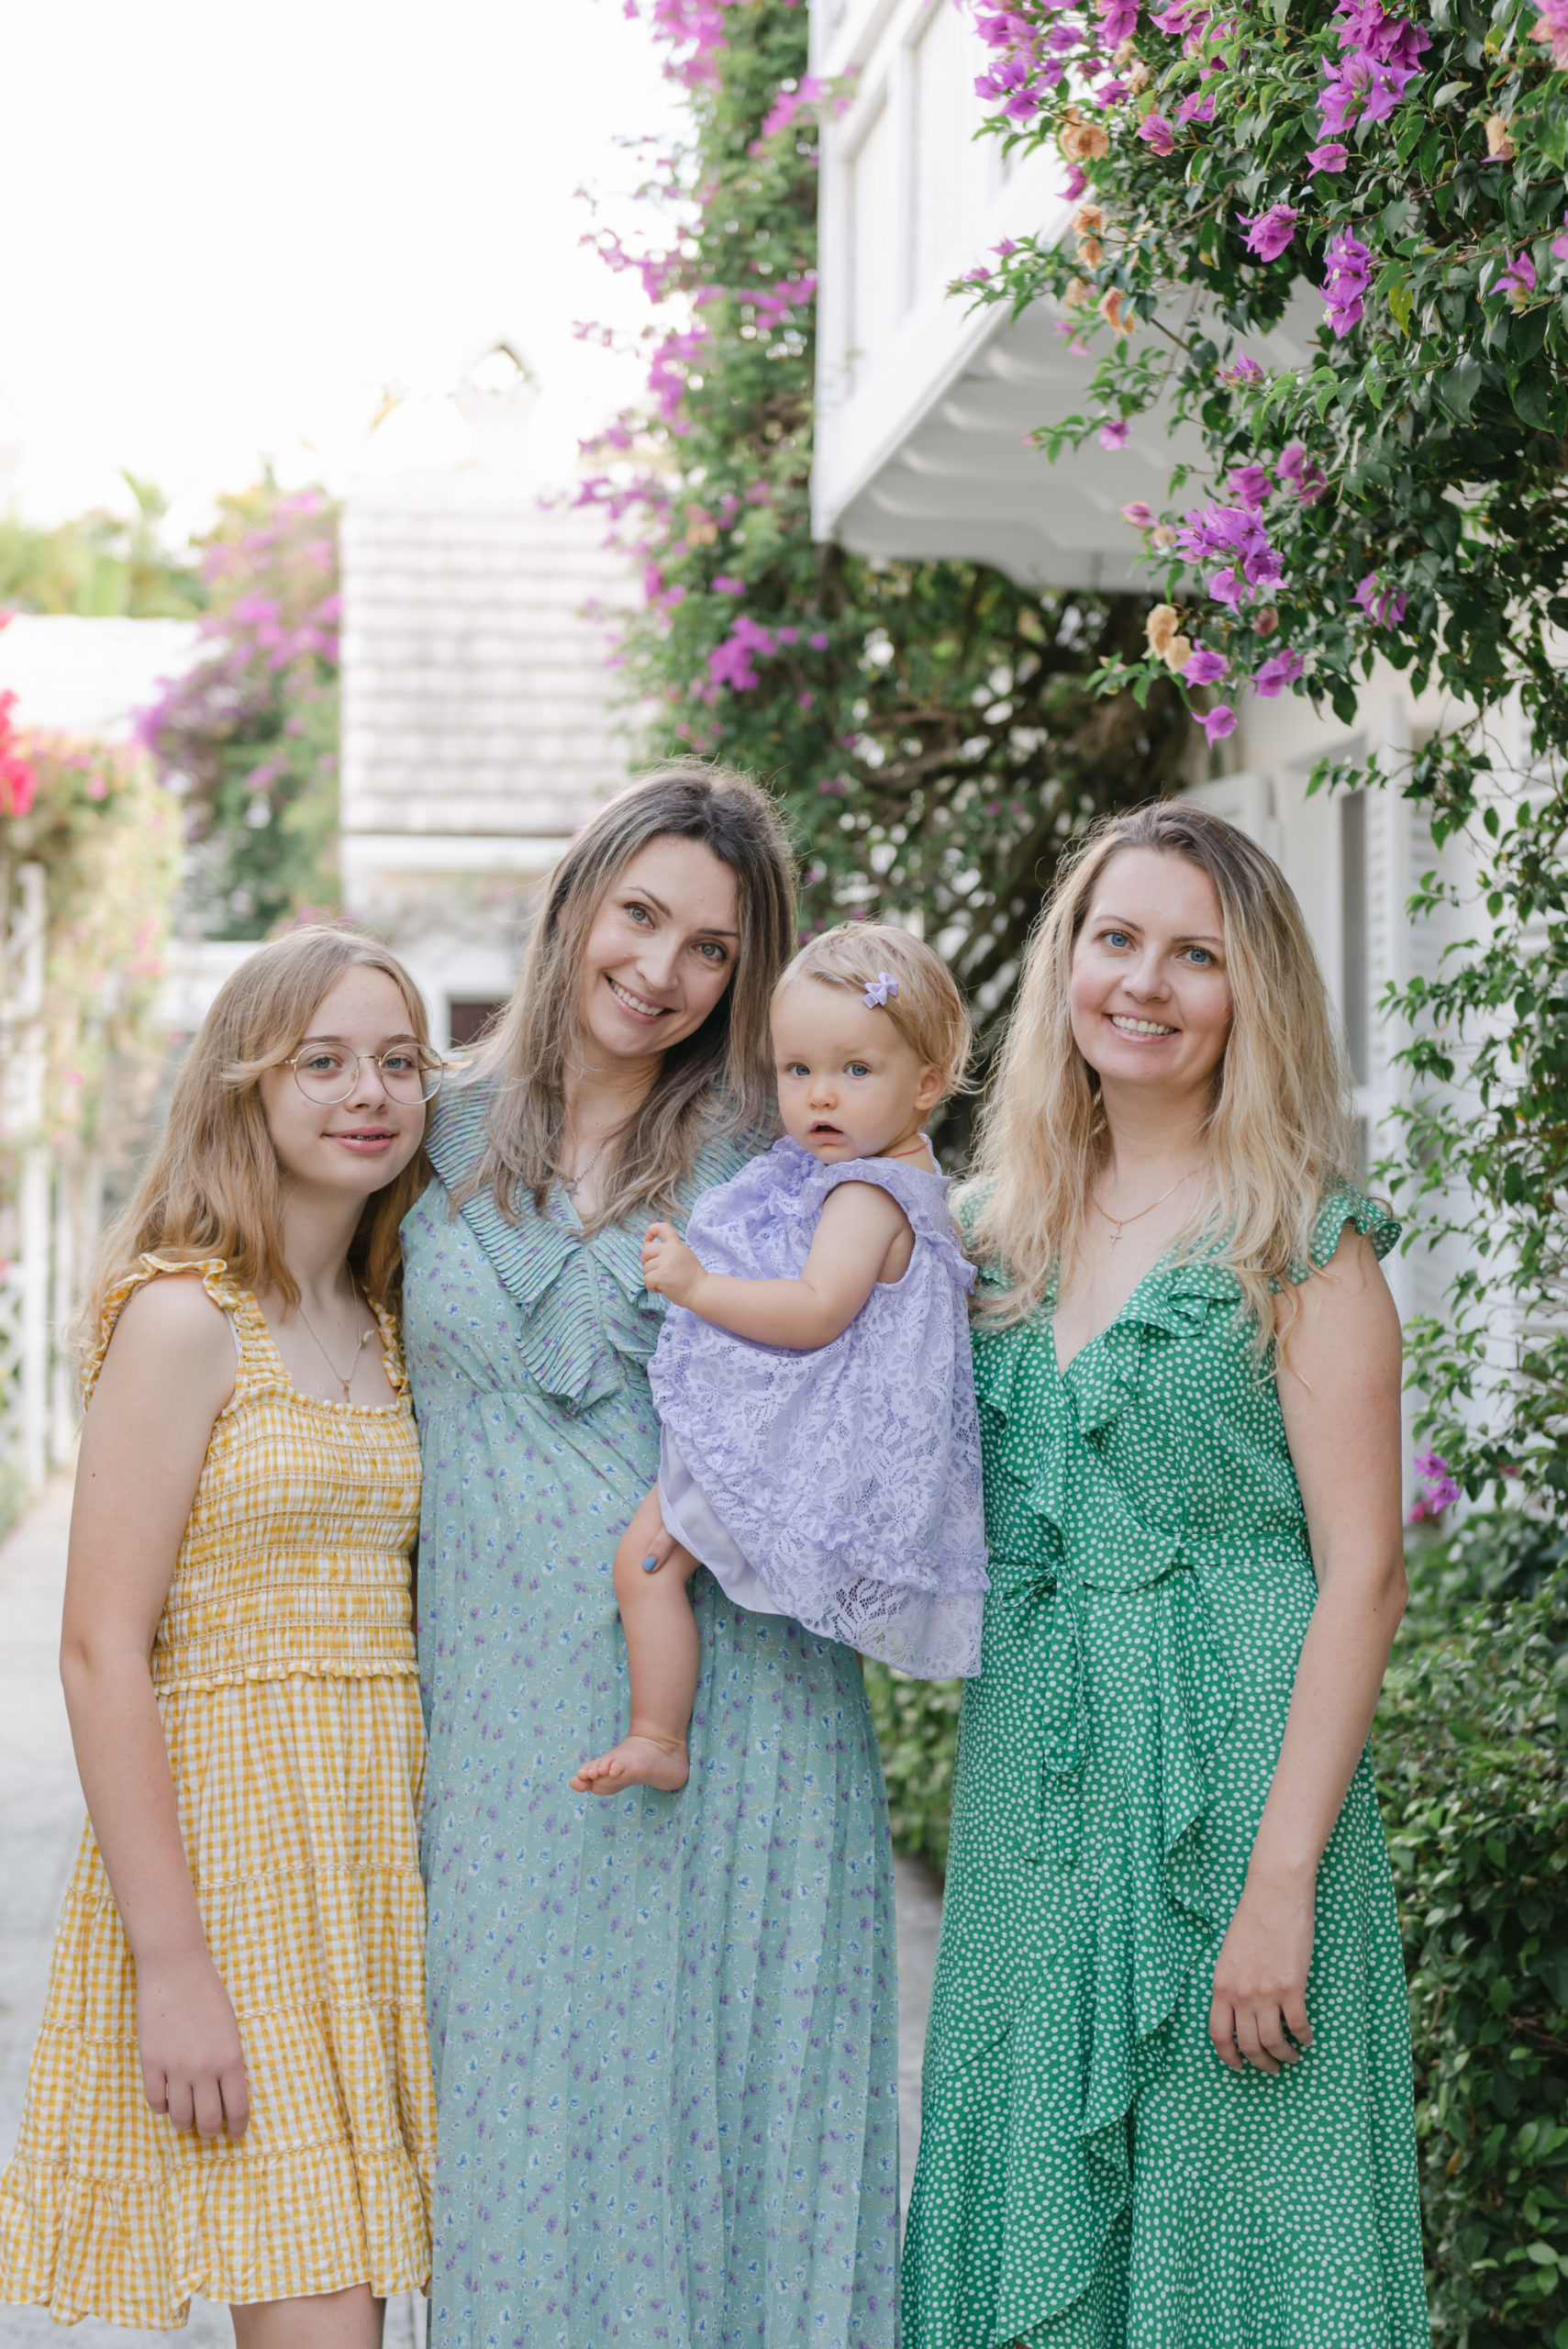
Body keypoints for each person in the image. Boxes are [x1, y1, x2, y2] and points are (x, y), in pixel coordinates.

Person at [903, 802, 1428, 2348]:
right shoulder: (976, 1236)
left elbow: (1363, 1574)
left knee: (1250, 2216)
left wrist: (1276, 1895)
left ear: (1244, 995)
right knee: (1024, 2200)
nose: (1142, 981)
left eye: (1191, 954)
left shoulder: (1300, 1242)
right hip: (1030, 1802)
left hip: (1239, 1796)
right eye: (1111, 939)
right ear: (1064, 963)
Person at [401, 764, 902, 2347]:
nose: (660, 970)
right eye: (640, 917)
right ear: (576, 904)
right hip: (495, 1719)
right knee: (521, 2118)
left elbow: (883, 1384)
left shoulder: (773, 1154)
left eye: (710, 951)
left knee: (740, 2121)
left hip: (735, 1711)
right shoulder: (417, 1126)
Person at [0, 929, 441, 2345]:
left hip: (383, 1856)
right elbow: (97, 1648)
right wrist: (173, 1963)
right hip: (238, 1860)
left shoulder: (389, 1319)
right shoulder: (188, 1318)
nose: (365, 1090)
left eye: (396, 1061)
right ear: (244, 1085)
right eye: (320, 1061)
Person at [571, 921, 987, 1798]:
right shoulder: (899, 1173)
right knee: (656, 1559)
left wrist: (693, 1285)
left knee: (644, 1559)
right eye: (798, 1071)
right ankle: (659, 1732)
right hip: (822, 1429)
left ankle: (657, 1734)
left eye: (854, 1070)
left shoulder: (867, 1195)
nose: (819, 1098)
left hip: (796, 1438)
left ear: (929, 1080)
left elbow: (811, 1313)